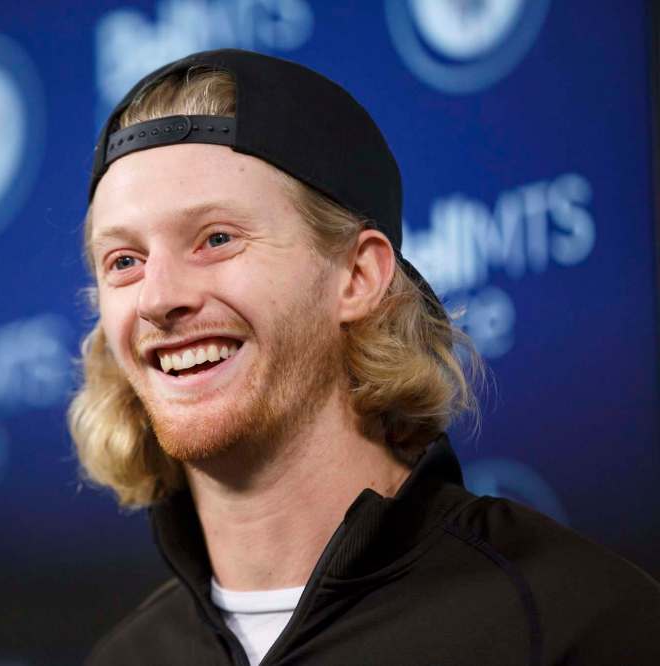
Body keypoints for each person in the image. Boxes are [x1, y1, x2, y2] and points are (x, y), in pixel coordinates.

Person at [68, 49, 660, 665]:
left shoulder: (572, 623)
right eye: (124, 262)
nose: (158, 298)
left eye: (217, 239)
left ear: (357, 275)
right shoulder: (122, 659)